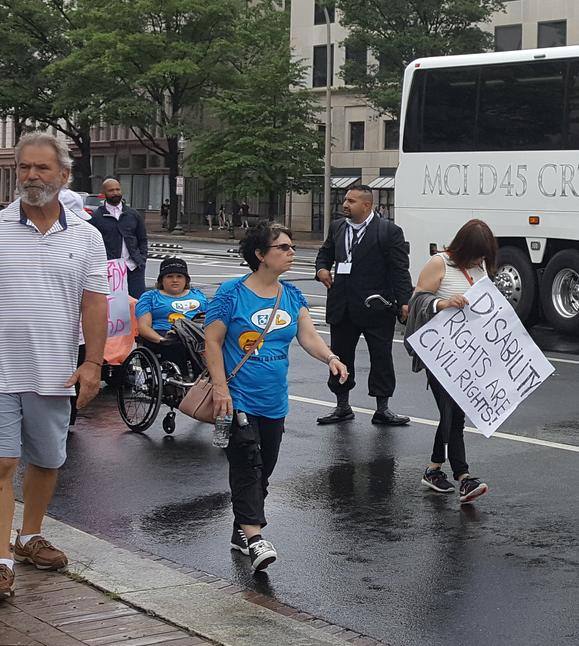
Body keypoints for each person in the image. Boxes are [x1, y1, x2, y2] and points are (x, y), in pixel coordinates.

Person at [0, 133, 107, 603]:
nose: (30, 176)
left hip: (54, 368)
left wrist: (93, 362)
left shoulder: (88, 236)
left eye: (41, 168)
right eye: (24, 168)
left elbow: (94, 303)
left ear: (63, 176)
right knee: (1, 461)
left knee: (48, 460)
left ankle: (30, 537)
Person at [206, 222, 348, 573]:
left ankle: (240, 531)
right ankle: (256, 539)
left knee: (263, 471)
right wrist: (221, 388)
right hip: (236, 397)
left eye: (291, 246)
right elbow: (212, 340)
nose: (291, 252)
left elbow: (308, 336)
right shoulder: (231, 293)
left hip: (274, 401)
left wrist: (330, 357)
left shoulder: (291, 295)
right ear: (260, 255)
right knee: (246, 465)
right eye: (282, 247)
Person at [313, 186, 413, 426]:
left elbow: (399, 270)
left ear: (366, 205)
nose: (345, 204)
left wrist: (405, 302)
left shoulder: (388, 232)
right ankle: (342, 406)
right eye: (345, 200)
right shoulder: (337, 227)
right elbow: (324, 253)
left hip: (375, 307)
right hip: (342, 306)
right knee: (340, 355)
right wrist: (322, 269)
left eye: (351, 201)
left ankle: (383, 408)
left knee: (381, 358)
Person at [411, 219, 495, 502]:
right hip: (440, 353)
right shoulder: (440, 264)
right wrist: (443, 303)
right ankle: (464, 478)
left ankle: (434, 469)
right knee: (454, 414)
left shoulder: (479, 266)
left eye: (483, 255)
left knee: (449, 413)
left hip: (468, 354)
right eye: (475, 253)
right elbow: (417, 301)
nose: (479, 260)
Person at [134, 257, 208, 379]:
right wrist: (162, 340)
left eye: (179, 276)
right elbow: (143, 327)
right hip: (165, 334)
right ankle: (184, 378)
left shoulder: (198, 295)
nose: (175, 280)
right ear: (162, 280)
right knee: (177, 345)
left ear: (186, 280)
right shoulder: (150, 297)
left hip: (195, 333)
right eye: (169, 276)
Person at [90, 178, 150, 301]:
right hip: (110, 269)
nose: (115, 193)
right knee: (113, 304)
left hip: (133, 267)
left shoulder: (132, 214)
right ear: (104, 192)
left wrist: (142, 259)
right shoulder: (97, 217)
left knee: (138, 303)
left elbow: (142, 239)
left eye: (117, 189)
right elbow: (91, 243)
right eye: (111, 190)